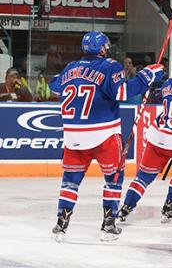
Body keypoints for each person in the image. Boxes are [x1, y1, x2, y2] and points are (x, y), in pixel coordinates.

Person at [48, 31, 163, 242]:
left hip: (74, 136)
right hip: (104, 134)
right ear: (102, 48)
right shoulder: (110, 66)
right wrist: (146, 76)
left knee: (70, 181)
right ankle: (108, 225)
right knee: (114, 177)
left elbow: (54, 86)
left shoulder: (71, 67)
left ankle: (61, 225)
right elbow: (122, 93)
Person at [118, 56, 172, 223]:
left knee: (143, 177)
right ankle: (169, 205)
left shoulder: (168, 84)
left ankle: (126, 207)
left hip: (158, 138)